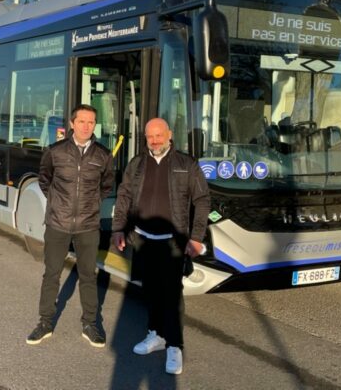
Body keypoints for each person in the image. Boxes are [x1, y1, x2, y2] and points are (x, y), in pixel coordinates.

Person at [111, 118, 210, 375]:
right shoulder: (137, 164)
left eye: (158, 136)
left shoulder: (186, 164)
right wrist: (118, 229)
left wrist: (197, 237)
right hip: (142, 239)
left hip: (172, 242)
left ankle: (175, 345)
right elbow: (124, 197)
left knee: (172, 294)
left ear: (169, 135)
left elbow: (202, 200)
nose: (154, 141)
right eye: (149, 137)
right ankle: (156, 335)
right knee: (151, 290)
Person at [27, 104, 114, 348]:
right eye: (82, 121)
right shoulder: (55, 152)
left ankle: (90, 323)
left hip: (88, 225)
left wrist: (92, 203)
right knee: (51, 274)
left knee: (88, 275)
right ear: (72, 123)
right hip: (57, 223)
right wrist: (57, 203)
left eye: (91, 122)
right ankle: (45, 322)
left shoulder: (103, 155)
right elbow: (45, 179)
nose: (86, 126)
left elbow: (107, 185)